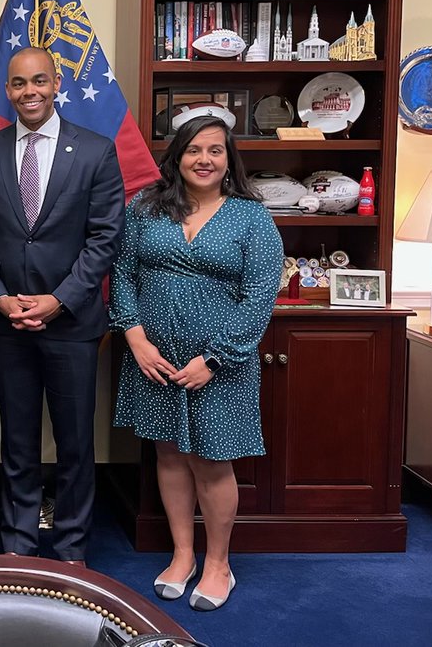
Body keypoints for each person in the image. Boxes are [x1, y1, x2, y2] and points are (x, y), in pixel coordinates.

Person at [110, 114, 282, 611]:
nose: (204, 160)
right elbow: (122, 275)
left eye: (215, 151)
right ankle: (183, 554)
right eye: (193, 150)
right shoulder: (145, 208)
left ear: (229, 160)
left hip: (220, 364)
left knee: (210, 460)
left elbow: (259, 299)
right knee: (167, 455)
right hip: (154, 361)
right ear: (177, 157)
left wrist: (215, 358)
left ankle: (218, 564)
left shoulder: (252, 217)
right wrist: (137, 339)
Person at [0, 46, 125, 565]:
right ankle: (19, 548)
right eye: (17, 84)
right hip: (8, 325)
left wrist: (59, 300)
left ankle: (74, 549)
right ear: (6, 91)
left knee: (76, 445)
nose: (28, 91)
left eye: (38, 81)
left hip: (72, 325)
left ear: (57, 85)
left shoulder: (96, 151)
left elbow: (105, 239)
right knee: (18, 444)